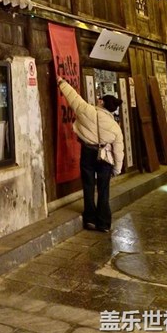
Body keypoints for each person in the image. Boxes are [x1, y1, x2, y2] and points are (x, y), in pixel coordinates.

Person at [57, 77, 125, 233]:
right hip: (105, 157)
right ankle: (104, 223)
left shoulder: (87, 111)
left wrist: (61, 82)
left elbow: (73, 97)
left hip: (88, 152)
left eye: (100, 99)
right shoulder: (115, 127)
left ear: (101, 102)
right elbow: (118, 150)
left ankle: (90, 219)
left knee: (88, 186)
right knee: (103, 190)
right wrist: (117, 169)